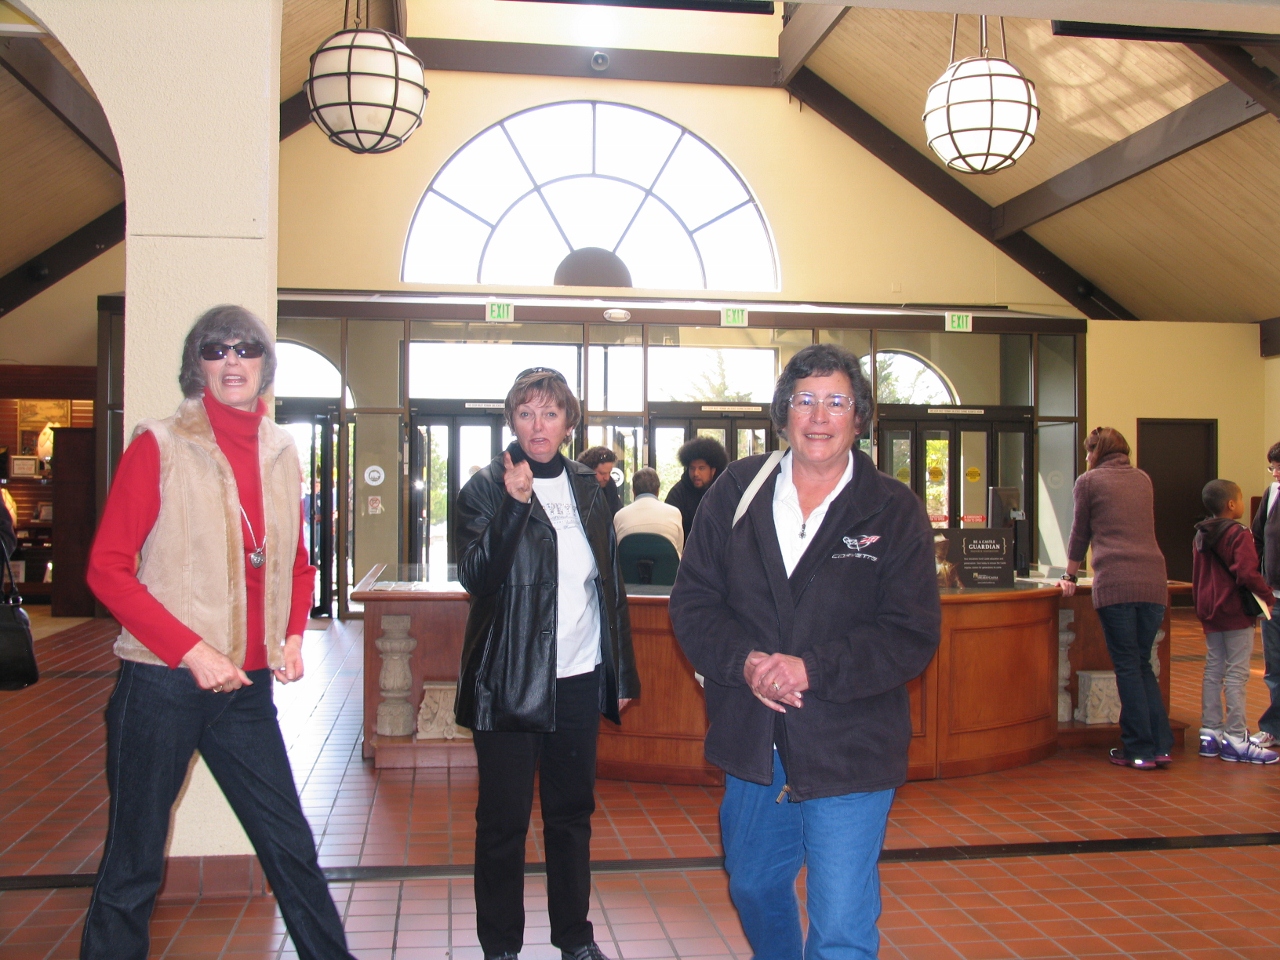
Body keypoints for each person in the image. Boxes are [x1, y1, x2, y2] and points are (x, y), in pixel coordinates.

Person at [81, 306, 356, 960]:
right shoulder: (160, 444)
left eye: (245, 349)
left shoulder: (282, 449)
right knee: (135, 862)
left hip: (245, 688)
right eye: (216, 350)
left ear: (264, 363)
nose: (232, 361)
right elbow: (106, 570)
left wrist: (290, 633)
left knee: (291, 848)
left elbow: (296, 560)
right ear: (197, 364)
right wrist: (190, 650)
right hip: (159, 685)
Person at [669, 343, 940, 960]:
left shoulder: (893, 510)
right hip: (755, 742)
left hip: (852, 744)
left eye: (836, 402)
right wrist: (746, 663)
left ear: (859, 417)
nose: (819, 417)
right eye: (805, 401)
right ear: (784, 413)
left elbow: (910, 632)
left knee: (841, 925)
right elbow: (693, 604)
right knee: (755, 883)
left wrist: (810, 669)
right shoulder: (738, 489)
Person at [455, 367, 639, 960]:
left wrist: (622, 675)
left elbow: (609, 588)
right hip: (509, 677)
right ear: (511, 419)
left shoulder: (591, 486)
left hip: (579, 678)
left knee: (570, 815)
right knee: (504, 823)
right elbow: (478, 578)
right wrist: (513, 506)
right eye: (527, 413)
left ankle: (575, 938)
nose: (539, 425)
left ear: (568, 422)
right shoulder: (486, 485)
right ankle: (501, 945)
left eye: (551, 413)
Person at [1060, 426, 1173, 770]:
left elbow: (1081, 532)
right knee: (1142, 665)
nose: (1085, 458)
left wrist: (1069, 575)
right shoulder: (1143, 479)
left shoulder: (1089, 481)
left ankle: (1137, 749)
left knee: (1127, 666)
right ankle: (1160, 745)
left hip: (1117, 581)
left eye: (1087, 451)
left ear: (1095, 451)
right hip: (1154, 580)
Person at [1192, 479, 1278, 763]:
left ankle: (1210, 732)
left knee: (1214, 667)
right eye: (1240, 499)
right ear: (1232, 504)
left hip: (1209, 608)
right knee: (1238, 673)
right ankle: (1236, 737)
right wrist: (1266, 594)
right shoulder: (1239, 533)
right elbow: (1247, 573)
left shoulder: (1202, 533)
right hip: (1235, 610)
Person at [1250, 442, 1280, 749]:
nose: (1275, 474)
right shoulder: (1272, 495)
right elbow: (1257, 538)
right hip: (1274, 596)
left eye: (1279, 467)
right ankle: (1274, 727)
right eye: (1272, 467)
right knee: (1275, 666)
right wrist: (1259, 581)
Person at [664, 435, 727, 539]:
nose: (696, 473)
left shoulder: (723, 491)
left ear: (713, 470)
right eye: (692, 468)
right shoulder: (678, 493)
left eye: (701, 468)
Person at [613, 467, 684, 556]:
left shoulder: (620, 516)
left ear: (633, 491)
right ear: (658, 490)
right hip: (667, 569)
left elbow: (615, 552)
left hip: (628, 569)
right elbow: (678, 551)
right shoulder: (674, 513)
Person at [578, 445, 623, 515]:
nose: (607, 478)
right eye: (602, 473)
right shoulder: (576, 487)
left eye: (609, 472)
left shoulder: (610, 485)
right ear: (587, 471)